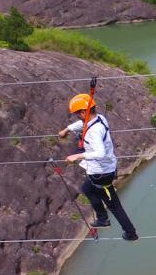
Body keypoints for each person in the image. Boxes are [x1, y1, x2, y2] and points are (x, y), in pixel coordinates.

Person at [58, 94, 139, 240]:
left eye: (77, 114)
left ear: (84, 112)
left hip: (101, 173)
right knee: (87, 188)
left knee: (114, 205)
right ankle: (102, 219)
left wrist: (77, 156)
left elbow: (100, 153)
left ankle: (130, 233)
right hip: (105, 168)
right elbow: (82, 124)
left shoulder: (94, 132)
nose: (77, 116)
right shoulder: (100, 118)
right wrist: (67, 129)